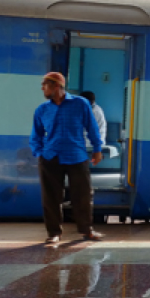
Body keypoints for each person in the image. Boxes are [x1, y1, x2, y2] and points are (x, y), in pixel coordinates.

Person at [29, 72, 104, 244]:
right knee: (51, 197)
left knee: (83, 195)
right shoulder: (42, 109)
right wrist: (39, 152)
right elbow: (36, 134)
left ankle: (87, 230)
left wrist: (97, 149)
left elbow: (92, 127)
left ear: (56, 85)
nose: (42, 88)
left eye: (45, 84)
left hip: (76, 156)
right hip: (50, 157)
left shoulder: (80, 104)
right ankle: (54, 232)